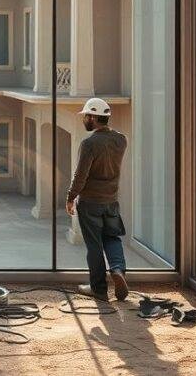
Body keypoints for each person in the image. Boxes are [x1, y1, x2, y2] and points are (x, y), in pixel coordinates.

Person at [65, 97, 130, 302]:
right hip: (111, 201)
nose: (84, 119)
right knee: (112, 237)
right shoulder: (121, 139)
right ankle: (118, 270)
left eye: (86, 116)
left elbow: (80, 176)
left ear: (93, 117)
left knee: (94, 245)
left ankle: (99, 289)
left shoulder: (89, 144)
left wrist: (70, 197)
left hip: (90, 202)